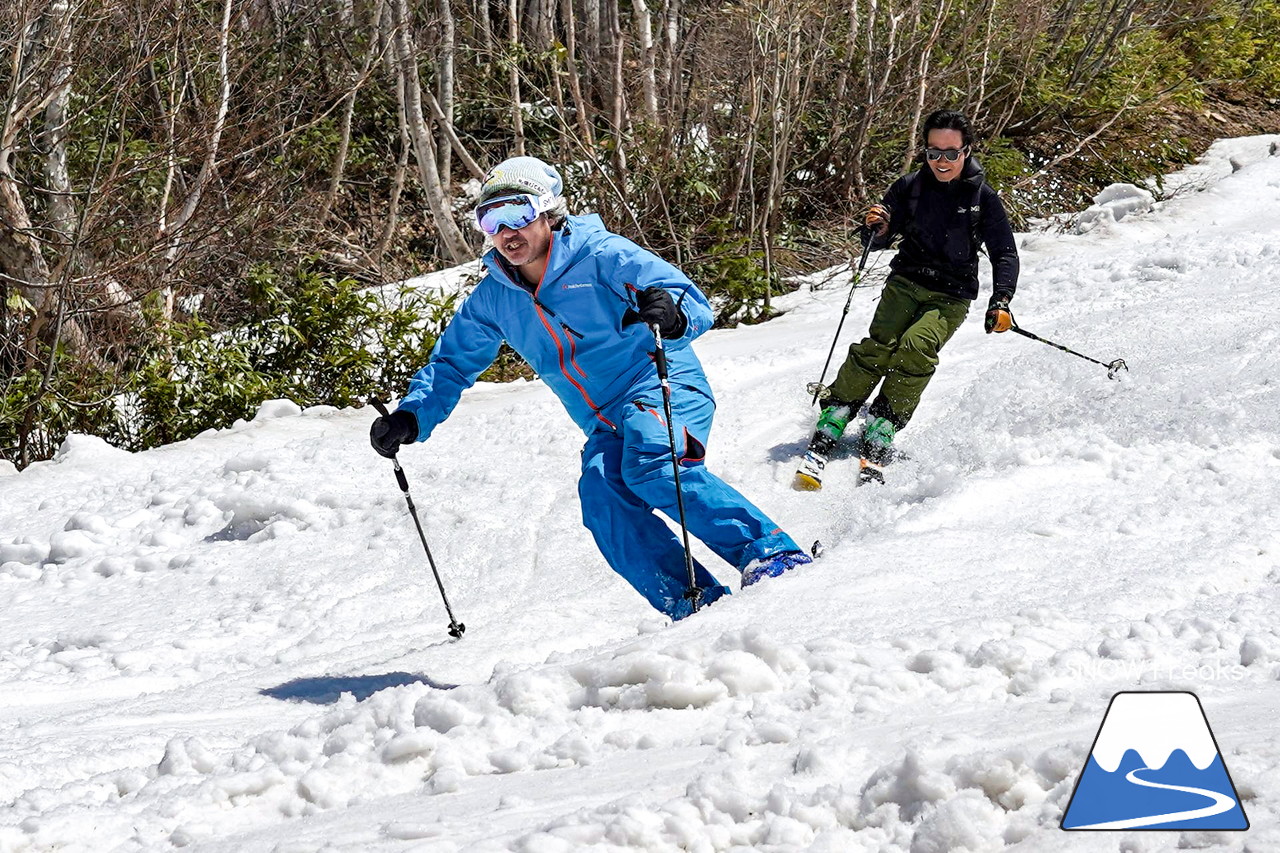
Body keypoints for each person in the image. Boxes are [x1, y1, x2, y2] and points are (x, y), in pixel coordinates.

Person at [370, 156, 811, 620]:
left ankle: (774, 555)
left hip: (662, 382)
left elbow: (680, 294)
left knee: (651, 462)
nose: (506, 232)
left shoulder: (601, 255)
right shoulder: (495, 298)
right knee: (601, 495)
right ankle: (694, 603)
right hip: (603, 420)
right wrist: (411, 416)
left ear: (548, 210)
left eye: (517, 214)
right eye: (491, 220)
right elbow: (452, 364)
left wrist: (672, 313)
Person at [803, 109, 1020, 475]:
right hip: (906, 281)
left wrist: (1001, 299)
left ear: (966, 150)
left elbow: (1004, 252)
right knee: (880, 343)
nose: (942, 161)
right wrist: (877, 226)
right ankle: (839, 408)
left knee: (916, 347)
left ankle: (885, 419)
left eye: (951, 152)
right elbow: (877, 239)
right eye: (934, 152)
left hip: (951, 294)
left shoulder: (982, 197)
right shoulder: (910, 188)